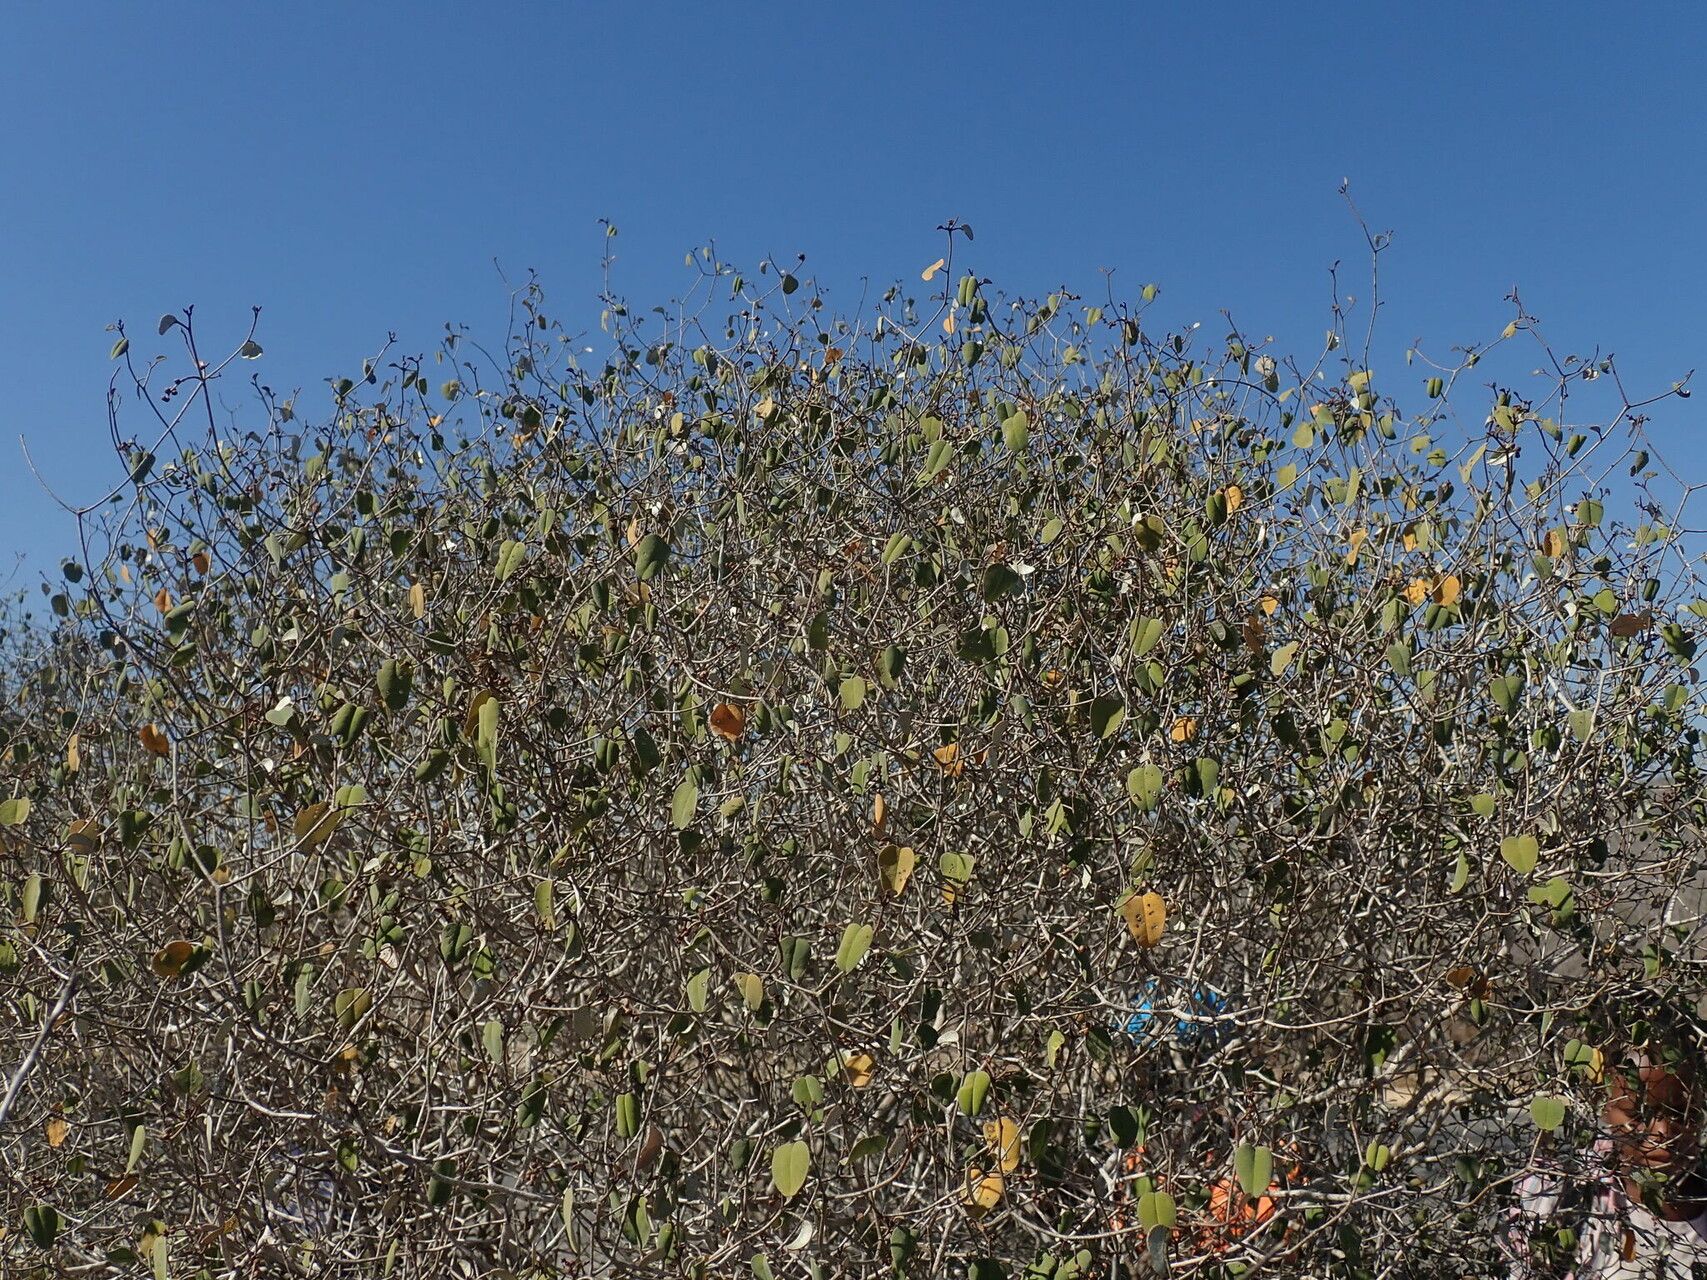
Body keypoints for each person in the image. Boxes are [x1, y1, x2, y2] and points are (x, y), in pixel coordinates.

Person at [1503, 1046, 1707, 1277]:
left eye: (1681, 1113)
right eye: (1639, 1115)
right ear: (1604, 1105)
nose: (1662, 1132)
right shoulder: (1555, 1195)